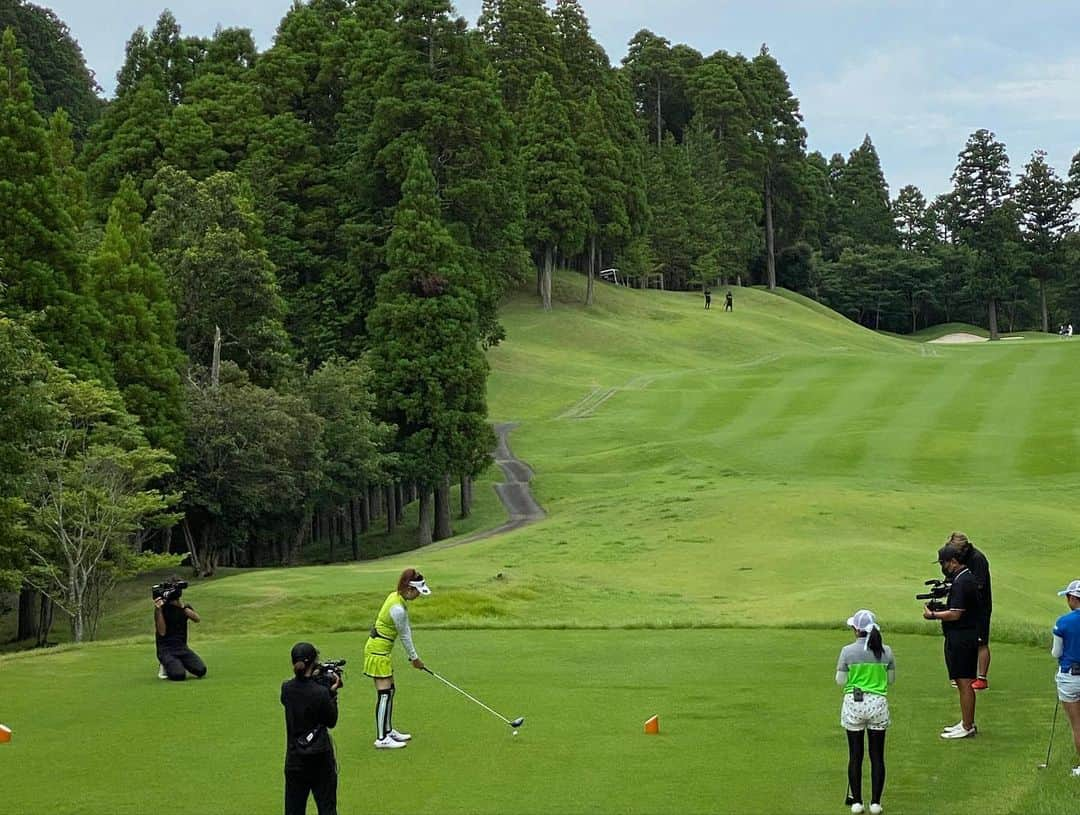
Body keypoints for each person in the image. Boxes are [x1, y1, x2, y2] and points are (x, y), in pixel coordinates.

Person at [363, 568, 431, 749]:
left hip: (382, 651)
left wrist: (414, 657)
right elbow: (404, 635)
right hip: (377, 652)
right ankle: (381, 738)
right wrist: (414, 658)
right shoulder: (397, 608)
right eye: (417, 592)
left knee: (390, 690)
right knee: (384, 693)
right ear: (409, 589)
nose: (418, 596)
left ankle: (388, 729)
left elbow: (406, 630)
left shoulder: (396, 597)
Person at [836, 609, 894, 815]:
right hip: (878, 704)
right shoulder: (886, 651)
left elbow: (840, 680)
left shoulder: (847, 651)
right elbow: (891, 680)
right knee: (877, 756)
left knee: (855, 755)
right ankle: (876, 803)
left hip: (854, 704)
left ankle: (857, 802)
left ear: (855, 629)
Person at [924, 544, 982, 738]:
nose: (942, 566)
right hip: (962, 636)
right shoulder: (962, 578)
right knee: (960, 680)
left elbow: (956, 614)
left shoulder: (961, 582)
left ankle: (967, 726)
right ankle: (966, 722)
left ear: (954, 562)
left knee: (964, 681)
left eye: (943, 563)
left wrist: (933, 615)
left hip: (963, 637)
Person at [282, 642, 341, 815]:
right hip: (320, 759)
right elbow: (331, 720)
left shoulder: (286, 688)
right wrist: (332, 694)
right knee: (326, 808)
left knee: (294, 809)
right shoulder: (321, 693)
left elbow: (300, 693)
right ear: (314, 662)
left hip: (294, 759)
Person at [946, 532, 992, 690]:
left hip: (979, 607)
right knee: (964, 639)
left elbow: (978, 584)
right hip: (965, 606)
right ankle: (962, 675)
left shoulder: (977, 559)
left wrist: (960, 588)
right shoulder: (961, 558)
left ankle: (981, 677)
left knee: (981, 641)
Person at [1051, 580, 1080, 776]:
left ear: (1072, 598)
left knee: (1077, 724)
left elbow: (1056, 652)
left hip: (1071, 676)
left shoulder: (1063, 622)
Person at [154, 578, 206, 681]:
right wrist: (158, 609)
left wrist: (182, 607)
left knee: (201, 670)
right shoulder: (162, 610)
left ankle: (178, 663)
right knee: (178, 675)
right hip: (166, 649)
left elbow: (197, 619)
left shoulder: (184, 608)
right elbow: (162, 632)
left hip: (182, 647)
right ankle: (165, 664)